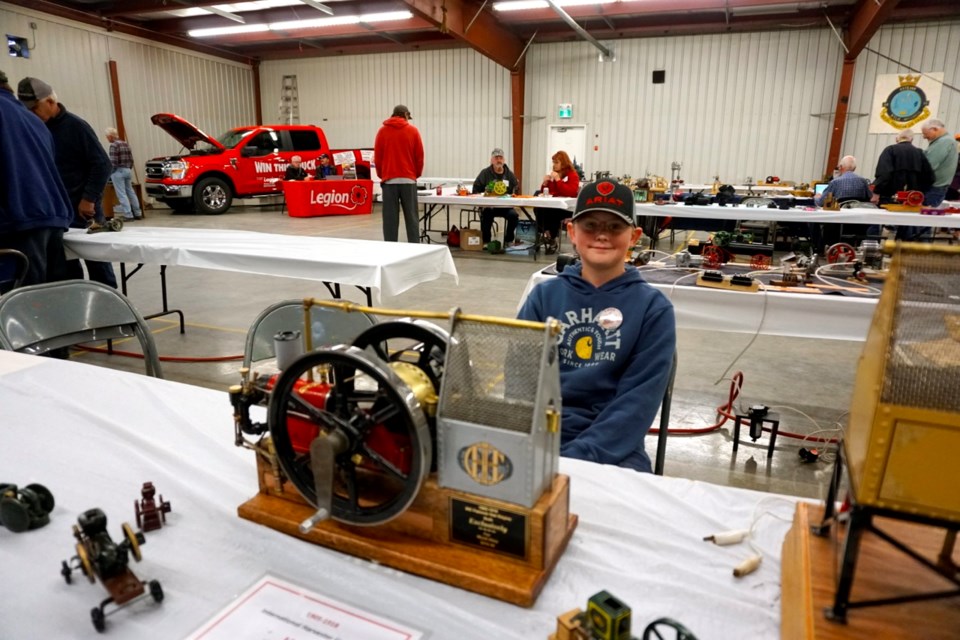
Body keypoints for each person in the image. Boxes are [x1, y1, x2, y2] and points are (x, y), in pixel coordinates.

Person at [518, 179, 676, 473]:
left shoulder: (653, 311)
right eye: (590, 225)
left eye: (615, 227)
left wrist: (575, 459)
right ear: (571, 232)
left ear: (634, 236)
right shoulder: (543, 298)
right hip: (540, 437)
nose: (602, 235)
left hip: (614, 449)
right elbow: (521, 382)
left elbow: (636, 405)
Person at [18, 77, 117, 288]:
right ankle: (78, 307)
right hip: (59, 214)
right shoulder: (34, 128)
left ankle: (111, 308)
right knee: (68, 268)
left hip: (85, 210)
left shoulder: (76, 127)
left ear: (51, 102)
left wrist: (88, 199)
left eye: (35, 107)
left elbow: (102, 164)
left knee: (98, 264)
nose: (32, 113)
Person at [0, 69, 72, 290]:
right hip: (51, 217)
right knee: (50, 297)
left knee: (22, 305)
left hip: (18, 221)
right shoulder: (35, 120)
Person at [374, 105, 423, 242]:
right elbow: (419, 157)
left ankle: (391, 249)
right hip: (408, 180)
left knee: (390, 220)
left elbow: (378, 157)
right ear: (406, 115)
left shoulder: (382, 131)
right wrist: (415, 175)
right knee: (412, 218)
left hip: (389, 181)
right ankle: (414, 248)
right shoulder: (413, 131)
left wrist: (382, 175)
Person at [471, 148, 519, 246]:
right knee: (486, 214)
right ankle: (486, 241)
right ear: (491, 160)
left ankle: (509, 240)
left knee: (514, 216)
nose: (498, 160)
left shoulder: (509, 174)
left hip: (506, 207)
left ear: (504, 160)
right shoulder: (484, 173)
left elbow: (516, 189)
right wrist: (483, 195)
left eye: (500, 157)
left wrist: (514, 194)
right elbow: (475, 189)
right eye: (496, 158)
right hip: (490, 206)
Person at [534, 150, 580, 254]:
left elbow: (570, 192)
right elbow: (546, 192)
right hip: (554, 205)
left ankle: (550, 238)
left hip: (567, 208)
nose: (554, 165)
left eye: (556, 162)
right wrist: (545, 183)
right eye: (553, 162)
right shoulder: (555, 174)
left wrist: (558, 180)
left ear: (563, 163)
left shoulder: (573, 175)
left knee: (552, 212)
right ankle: (547, 235)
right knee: (538, 208)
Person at [871, 129, 934, 204]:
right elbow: (929, 177)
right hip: (912, 200)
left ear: (897, 139)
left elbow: (884, 174)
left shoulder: (890, 150)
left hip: (889, 197)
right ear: (912, 139)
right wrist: (920, 192)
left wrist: (876, 192)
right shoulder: (919, 153)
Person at [104, 127, 142, 221]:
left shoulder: (113, 145)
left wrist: (109, 174)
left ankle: (128, 215)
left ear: (110, 136)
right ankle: (138, 213)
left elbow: (113, 162)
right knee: (131, 192)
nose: (107, 138)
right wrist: (128, 168)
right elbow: (131, 159)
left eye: (107, 137)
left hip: (118, 171)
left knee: (121, 194)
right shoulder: (125, 144)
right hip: (127, 170)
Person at [921, 119, 959, 207]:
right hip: (937, 187)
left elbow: (929, 165)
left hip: (934, 188)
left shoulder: (944, 142)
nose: (924, 137)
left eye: (925, 133)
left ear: (934, 129)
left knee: (924, 217)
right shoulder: (944, 141)